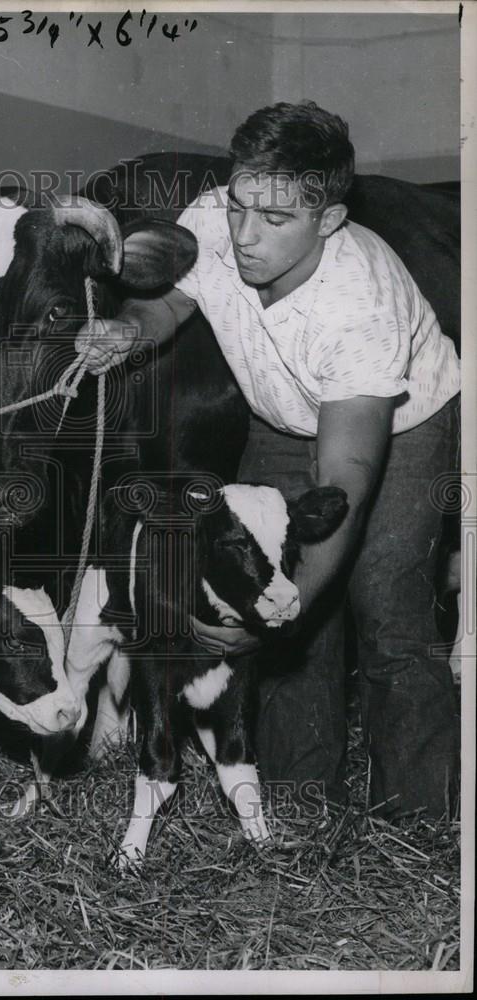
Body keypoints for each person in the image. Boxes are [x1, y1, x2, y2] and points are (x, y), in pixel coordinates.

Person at [75, 102, 460, 821]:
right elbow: (174, 300)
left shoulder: (358, 309)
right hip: (281, 412)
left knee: (384, 606)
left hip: (397, 426)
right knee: (276, 598)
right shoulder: (219, 211)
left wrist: (276, 613)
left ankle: (421, 823)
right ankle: (298, 803)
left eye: (275, 221)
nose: (244, 237)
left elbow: (344, 482)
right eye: (239, 207)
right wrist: (128, 330)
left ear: (329, 220)